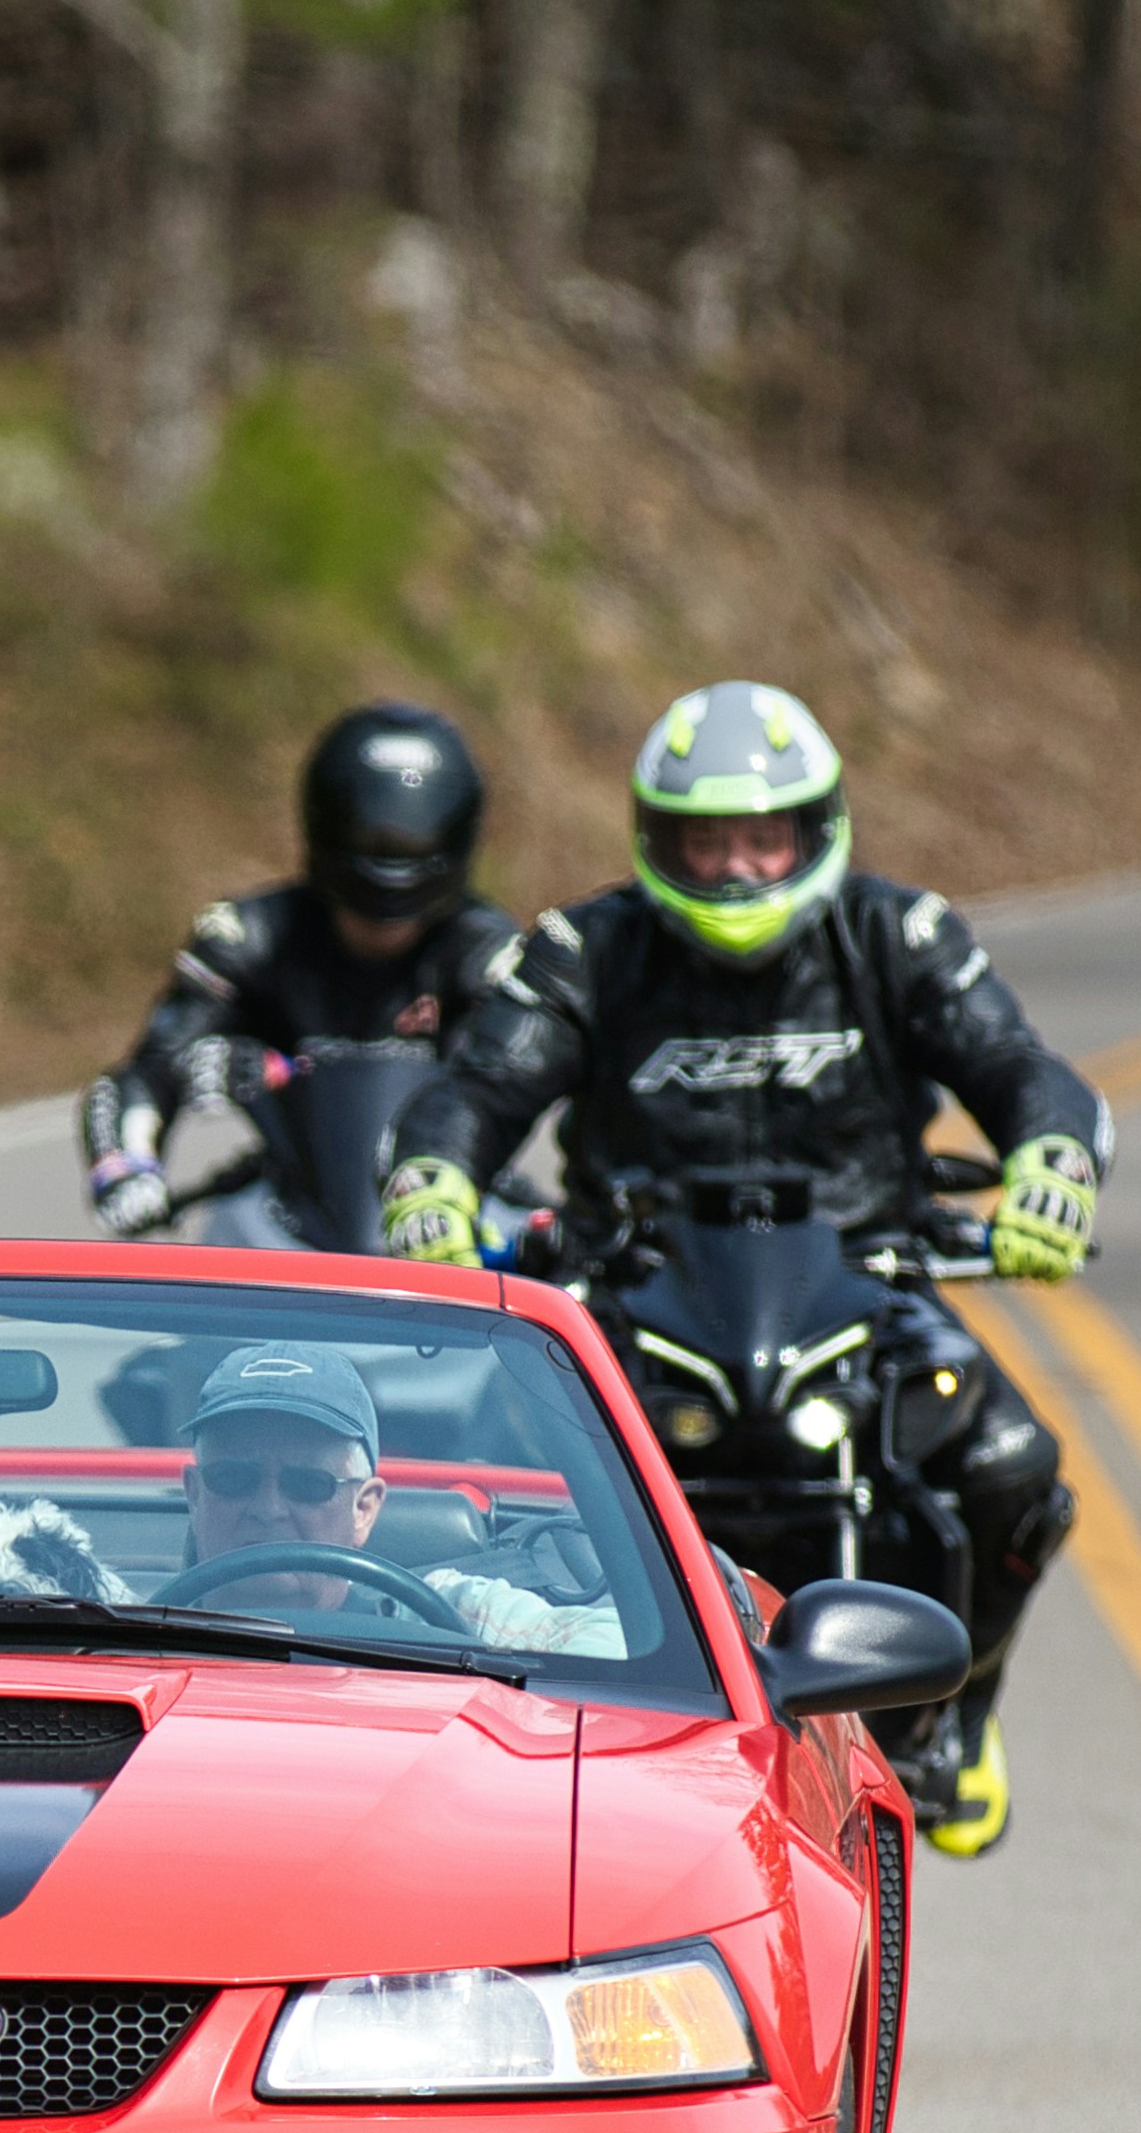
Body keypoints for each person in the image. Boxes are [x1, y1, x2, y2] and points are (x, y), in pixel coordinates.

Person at [374, 678, 1103, 1854]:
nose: (734, 869)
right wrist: (432, 1184)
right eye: (703, 840)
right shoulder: (584, 948)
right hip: (634, 1298)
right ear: (654, 839)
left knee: (1013, 1465)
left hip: (871, 1292)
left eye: (761, 837)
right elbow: (469, 1093)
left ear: (814, 831)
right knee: (466, 1493)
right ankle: (501, 1755)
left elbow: (1022, 1067)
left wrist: (1051, 1161)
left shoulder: (898, 934)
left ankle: (957, 1714)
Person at [78, 702, 501, 1240]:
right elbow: (148, 1071)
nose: (389, 871)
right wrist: (128, 1169)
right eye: (373, 841)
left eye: (411, 846)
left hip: (446, 1215)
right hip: (282, 1216)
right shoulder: (247, 935)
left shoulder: (487, 949)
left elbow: (530, 1070)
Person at [0, 1342, 617, 1656]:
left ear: (367, 1506)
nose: (267, 1506)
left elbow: (614, 1654)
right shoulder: (124, 1633)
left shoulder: (455, 1611)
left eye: (307, 1484)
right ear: (194, 1494)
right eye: (234, 1479)